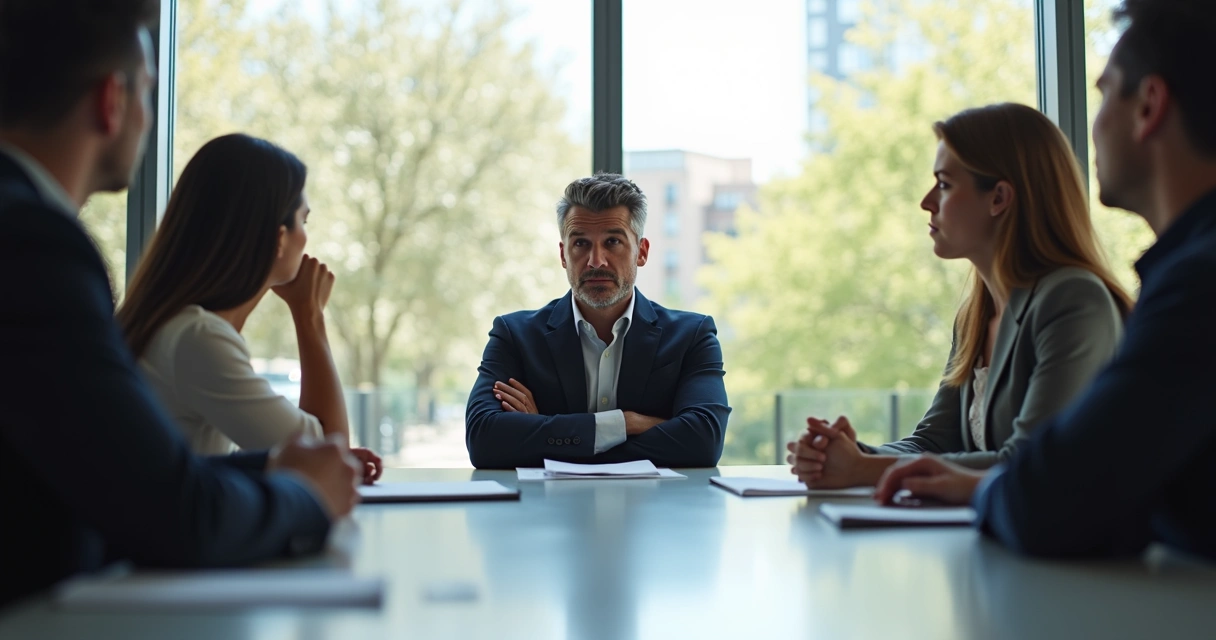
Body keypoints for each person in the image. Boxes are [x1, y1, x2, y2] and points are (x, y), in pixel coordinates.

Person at [0, 0, 360, 608]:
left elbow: (126, 479)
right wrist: (306, 496)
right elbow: (174, 512)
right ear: (112, 101)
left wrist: (272, 471)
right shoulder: (34, 246)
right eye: (147, 91)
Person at [868, 0, 1216, 559]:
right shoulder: (1183, 275)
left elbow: (1052, 493)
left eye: (1104, 95)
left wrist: (982, 485)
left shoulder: (1195, 289)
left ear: (1149, 105)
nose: (1093, 124)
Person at [787, 103, 1132, 488]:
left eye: (945, 184)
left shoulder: (1073, 300)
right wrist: (846, 454)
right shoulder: (976, 314)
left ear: (999, 198)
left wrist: (861, 470)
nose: (927, 201)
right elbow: (934, 442)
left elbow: (1031, 460)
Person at [116, 134, 381, 483]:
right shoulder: (198, 338)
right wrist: (309, 314)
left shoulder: (173, 325)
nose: (306, 238)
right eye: (304, 221)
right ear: (279, 238)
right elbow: (326, 458)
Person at [465, 173, 730, 469]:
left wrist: (545, 431)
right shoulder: (514, 335)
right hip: (546, 512)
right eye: (580, 244)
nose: (596, 261)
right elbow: (483, 440)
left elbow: (703, 441)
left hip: (655, 512)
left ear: (641, 252)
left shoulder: (692, 336)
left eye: (613, 241)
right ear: (564, 254)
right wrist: (627, 423)